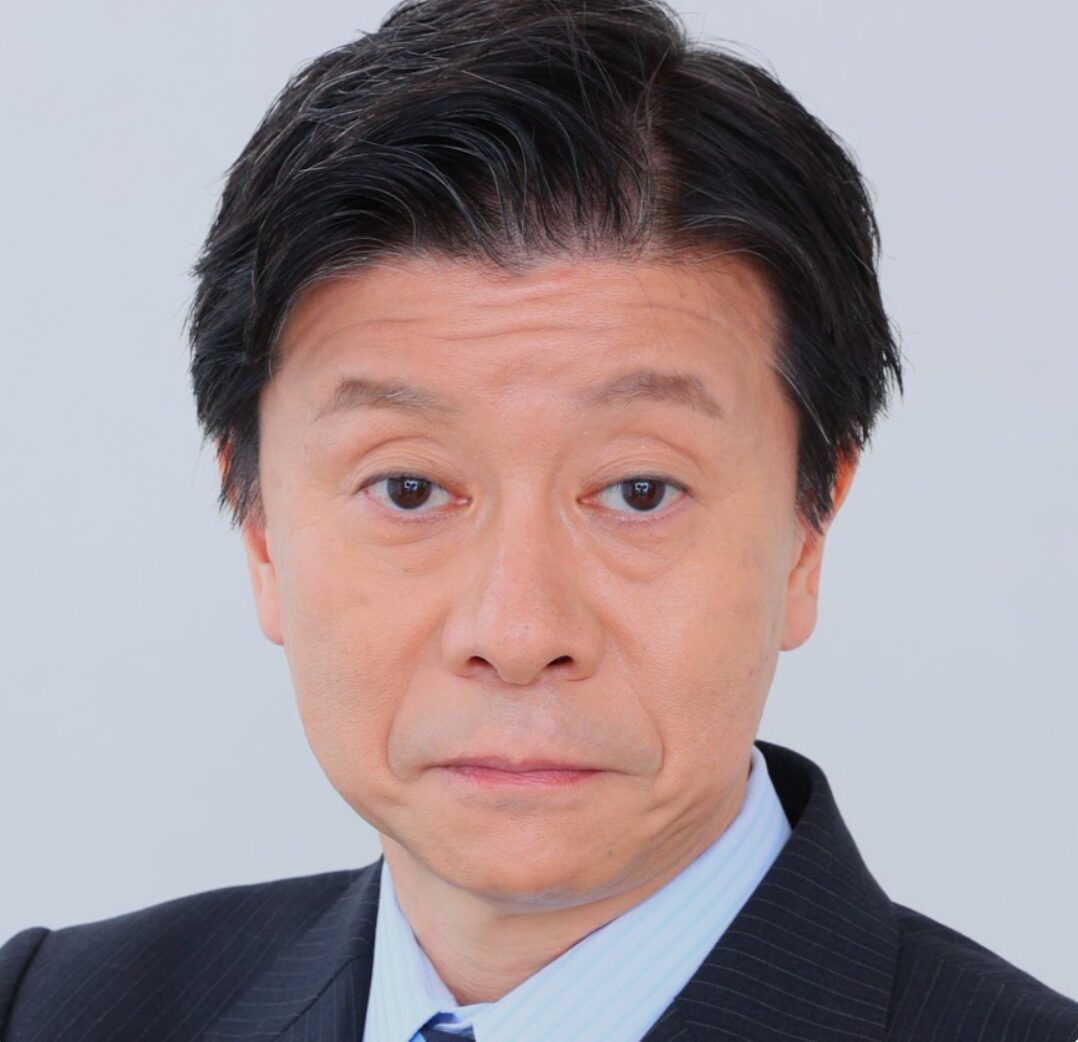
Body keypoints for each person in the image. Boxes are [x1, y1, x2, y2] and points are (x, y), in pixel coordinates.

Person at [2, 0, 1075, 1038]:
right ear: (261, 530)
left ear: (808, 529)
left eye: (639, 490)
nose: (517, 634)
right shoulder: (49, 1010)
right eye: (409, 488)